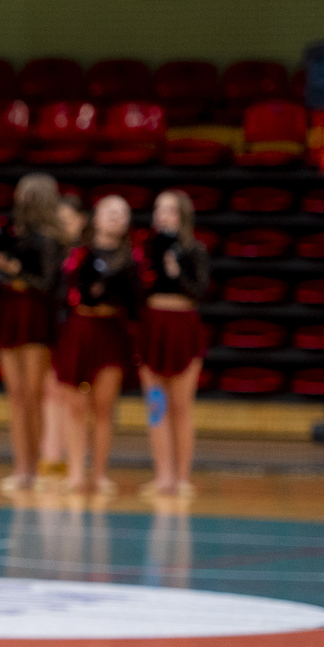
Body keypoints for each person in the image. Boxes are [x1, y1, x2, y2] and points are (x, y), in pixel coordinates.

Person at [55, 195, 142, 496]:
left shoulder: (131, 259)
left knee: (104, 408)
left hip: (111, 332)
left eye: (121, 212)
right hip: (81, 330)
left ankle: (100, 473)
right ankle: (75, 471)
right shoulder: (78, 254)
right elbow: (64, 292)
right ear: (96, 217)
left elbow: (136, 304)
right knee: (76, 407)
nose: (114, 217)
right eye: (109, 211)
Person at [0, 174, 62, 494]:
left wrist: (13, 270)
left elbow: (46, 282)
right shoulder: (10, 233)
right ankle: (21, 468)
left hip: (35, 314)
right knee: (17, 397)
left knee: (33, 396)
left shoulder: (50, 239)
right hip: (10, 311)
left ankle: (37, 466)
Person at [137, 190, 211, 499]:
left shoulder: (194, 250)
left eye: (169, 210)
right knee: (157, 407)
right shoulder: (144, 249)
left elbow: (200, 290)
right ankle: (162, 476)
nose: (162, 215)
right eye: (158, 209)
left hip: (182, 327)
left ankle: (181, 478)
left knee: (181, 406)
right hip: (153, 327)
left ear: (182, 215)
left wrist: (176, 272)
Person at [37, 194, 88, 487]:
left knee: (78, 396)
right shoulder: (51, 252)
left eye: (68, 220)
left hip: (82, 329)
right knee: (51, 391)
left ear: (81, 221)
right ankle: (51, 455)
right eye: (58, 221)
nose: (63, 226)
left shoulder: (88, 253)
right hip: (54, 327)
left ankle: (76, 457)